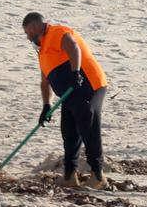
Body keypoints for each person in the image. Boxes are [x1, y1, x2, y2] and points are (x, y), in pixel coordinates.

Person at [23, 12, 111, 189]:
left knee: (88, 127)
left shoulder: (55, 32)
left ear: (33, 28)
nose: (27, 37)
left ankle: (98, 176)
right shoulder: (42, 51)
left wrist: (75, 72)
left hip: (88, 85)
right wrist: (46, 105)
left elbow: (73, 46)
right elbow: (45, 81)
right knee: (68, 132)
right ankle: (70, 177)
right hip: (70, 94)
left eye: (27, 33)